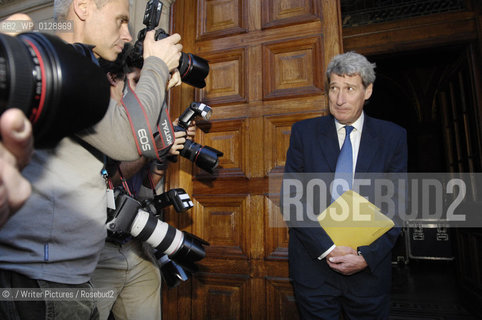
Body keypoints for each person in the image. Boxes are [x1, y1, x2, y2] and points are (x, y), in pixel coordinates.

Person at [0, 0, 183, 319]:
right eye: (120, 20)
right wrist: (157, 66)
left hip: (64, 274)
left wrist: (151, 78)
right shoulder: (61, 67)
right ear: (83, 7)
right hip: (46, 280)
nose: (126, 33)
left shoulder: (74, 67)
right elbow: (130, 140)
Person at [283, 51, 407, 319]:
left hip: (369, 275)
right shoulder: (303, 133)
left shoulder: (393, 137)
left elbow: (398, 204)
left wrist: (366, 256)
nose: (339, 99)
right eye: (334, 88)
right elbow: (292, 199)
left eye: (350, 89)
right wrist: (329, 249)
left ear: (368, 91)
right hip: (313, 269)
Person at [90, 56, 194, 320]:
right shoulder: (96, 119)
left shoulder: (145, 125)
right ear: (114, 80)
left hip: (138, 246)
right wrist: (153, 147)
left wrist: (165, 155)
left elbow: (146, 188)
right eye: (137, 81)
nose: (145, 90)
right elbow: (105, 181)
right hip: (97, 251)